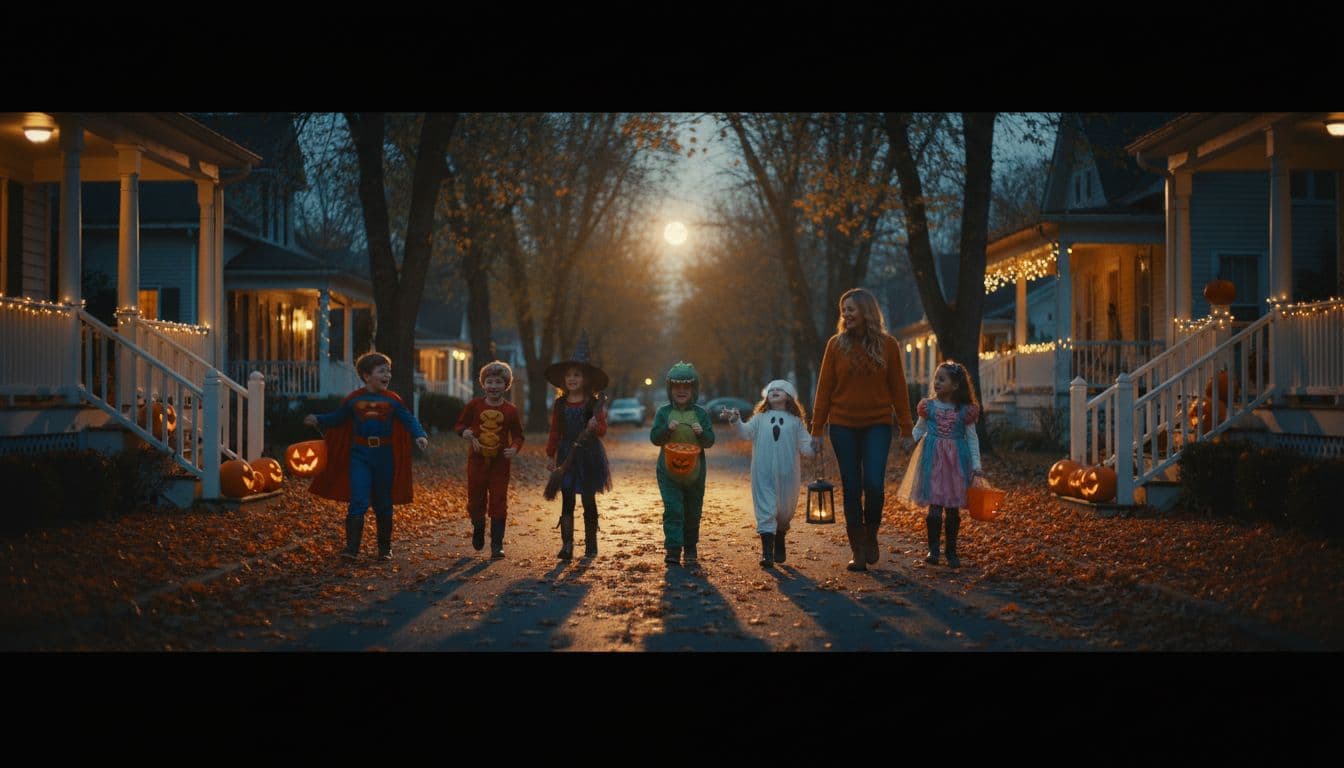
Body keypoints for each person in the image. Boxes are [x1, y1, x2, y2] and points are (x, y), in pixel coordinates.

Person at [809, 287, 914, 572]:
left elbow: (898, 390)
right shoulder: (835, 344)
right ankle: (857, 547)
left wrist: (907, 428)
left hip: (877, 424)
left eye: (851, 309)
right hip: (842, 425)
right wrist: (816, 429)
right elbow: (824, 389)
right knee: (852, 487)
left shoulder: (888, 345)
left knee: (874, 485)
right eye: (843, 309)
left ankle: (871, 535)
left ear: (866, 311)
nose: (846, 313)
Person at [306, 351, 429, 562]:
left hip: (384, 456)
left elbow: (409, 419)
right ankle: (351, 549)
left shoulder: (393, 400)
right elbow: (338, 418)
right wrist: (318, 418)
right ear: (366, 375)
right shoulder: (354, 400)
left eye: (388, 371)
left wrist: (419, 435)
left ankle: (384, 549)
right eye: (382, 371)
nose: (387, 375)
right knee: (359, 500)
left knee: (383, 501)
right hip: (359, 455)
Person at [896, 360, 982, 568]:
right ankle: (933, 549)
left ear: (955, 385)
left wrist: (976, 465)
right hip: (933, 460)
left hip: (956, 464)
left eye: (942, 379)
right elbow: (919, 428)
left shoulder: (965, 411)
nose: (936, 382)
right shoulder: (929, 407)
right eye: (936, 378)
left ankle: (951, 551)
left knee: (952, 508)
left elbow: (972, 438)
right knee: (935, 507)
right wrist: (909, 439)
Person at [727, 379, 814, 568]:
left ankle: (780, 535)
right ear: (767, 395)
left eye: (779, 389)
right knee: (766, 511)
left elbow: (806, 446)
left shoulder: (795, 421)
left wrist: (814, 445)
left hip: (788, 475)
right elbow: (745, 433)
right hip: (762, 472)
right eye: (772, 389)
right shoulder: (760, 418)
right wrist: (736, 421)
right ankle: (767, 553)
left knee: (784, 513)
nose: (775, 391)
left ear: (789, 396)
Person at [544, 333, 611, 561]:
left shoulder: (593, 404)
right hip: (566, 455)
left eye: (577, 375)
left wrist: (595, 425)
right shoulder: (560, 404)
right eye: (569, 375)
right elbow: (555, 431)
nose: (572, 379)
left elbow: (602, 430)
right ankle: (567, 544)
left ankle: (591, 544)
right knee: (568, 499)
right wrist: (550, 454)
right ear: (563, 380)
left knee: (588, 500)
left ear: (586, 379)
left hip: (590, 455)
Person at [455, 360, 525, 558]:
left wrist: (514, 448)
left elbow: (519, 435)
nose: (494, 386)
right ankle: (478, 528)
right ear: (483, 384)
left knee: (498, 500)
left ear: (506, 385)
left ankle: (497, 545)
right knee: (476, 500)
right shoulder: (474, 405)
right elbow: (460, 424)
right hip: (477, 461)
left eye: (498, 382)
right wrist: (465, 433)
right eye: (490, 382)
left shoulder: (511, 410)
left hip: (500, 463)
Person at [650, 361, 716, 567]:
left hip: (695, 472)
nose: (681, 391)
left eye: (686, 387)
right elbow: (655, 438)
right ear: (670, 390)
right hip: (669, 471)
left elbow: (710, 441)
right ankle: (673, 548)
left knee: (693, 510)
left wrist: (701, 433)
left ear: (693, 390)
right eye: (677, 387)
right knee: (673, 509)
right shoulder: (663, 412)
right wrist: (666, 431)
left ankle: (690, 547)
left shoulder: (701, 414)